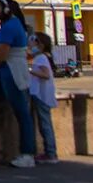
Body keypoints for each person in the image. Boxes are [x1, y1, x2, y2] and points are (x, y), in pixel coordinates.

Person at [0, 0, 36, 168]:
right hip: (10, 72)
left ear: (4, 7)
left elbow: (2, 54)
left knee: (22, 113)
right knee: (22, 113)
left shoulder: (9, 27)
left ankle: (27, 153)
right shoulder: (13, 24)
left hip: (11, 73)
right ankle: (26, 153)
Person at [28, 30, 59, 163]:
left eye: (33, 41)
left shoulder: (41, 58)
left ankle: (50, 153)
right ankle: (49, 151)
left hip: (42, 96)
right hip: (40, 95)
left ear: (40, 45)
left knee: (45, 124)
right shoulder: (41, 58)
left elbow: (45, 74)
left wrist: (30, 71)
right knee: (43, 123)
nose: (30, 44)